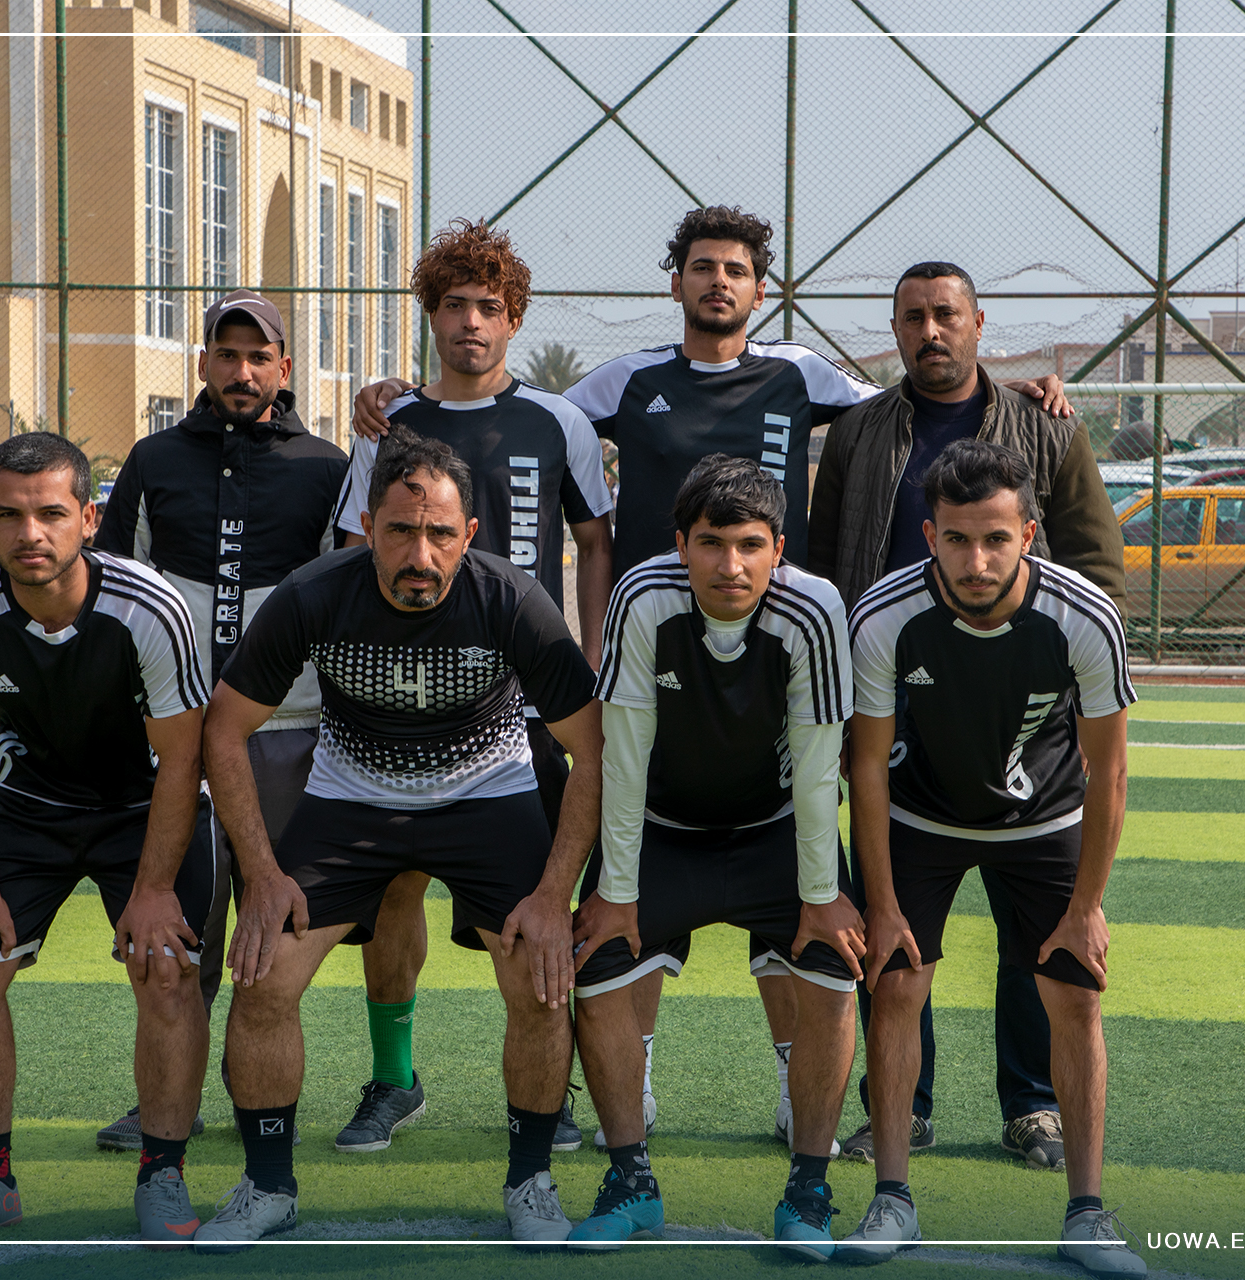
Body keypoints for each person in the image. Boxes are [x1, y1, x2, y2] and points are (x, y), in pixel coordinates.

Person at [355, 212, 1072, 1151]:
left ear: (759, 288)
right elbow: (515, 412)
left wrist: (1011, 389)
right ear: (677, 282)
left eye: (735, 269)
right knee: (630, 876)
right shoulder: (625, 381)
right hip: (657, 659)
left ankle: (797, 1085)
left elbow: (924, 393)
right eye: (702, 267)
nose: (718, 282)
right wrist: (395, 394)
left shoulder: (803, 374)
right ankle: (633, 1077)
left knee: (796, 875)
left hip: (773, 661)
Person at [193, 430, 603, 1250]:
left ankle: (530, 1181)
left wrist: (554, 894)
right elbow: (225, 730)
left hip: (487, 797)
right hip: (352, 799)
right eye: (401, 531)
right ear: (368, 528)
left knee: (540, 982)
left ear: (469, 534)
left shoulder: (513, 599)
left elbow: (591, 750)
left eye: (440, 534)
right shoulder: (313, 593)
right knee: (264, 978)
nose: (421, 554)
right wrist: (264, 873)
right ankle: (267, 1187)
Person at [809, 261, 1125, 1171]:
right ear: (896, 329)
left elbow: (1096, 562)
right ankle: (903, 1109)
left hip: (1020, 703)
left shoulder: (1045, 422)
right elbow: (827, 563)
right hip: (895, 689)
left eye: (946, 314)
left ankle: (1032, 1105)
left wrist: (1063, 683)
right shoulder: (860, 429)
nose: (930, 331)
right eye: (912, 317)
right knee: (896, 934)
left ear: (979, 324)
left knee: (1039, 932)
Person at [328, 222, 613, 1154]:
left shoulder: (559, 423)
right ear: (431, 316)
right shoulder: (388, 426)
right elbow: (351, 553)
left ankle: (546, 1093)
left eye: (490, 307)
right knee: (394, 893)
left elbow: (595, 543)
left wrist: (588, 660)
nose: (471, 323)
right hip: (405, 701)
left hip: (525, 706)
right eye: (454, 305)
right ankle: (393, 1079)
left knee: (531, 908)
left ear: (514, 319)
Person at [840, 438, 1143, 1275]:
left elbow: (1111, 771)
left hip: (1043, 819)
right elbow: (867, 765)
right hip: (921, 815)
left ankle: (1087, 1215)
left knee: (1075, 997)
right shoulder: (884, 615)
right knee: (896, 985)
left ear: (1029, 535)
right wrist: (881, 903)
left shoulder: (1085, 617)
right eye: (958, 539)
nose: (977, 561)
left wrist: (1087, 909)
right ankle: (892, 1202)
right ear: (930, 535)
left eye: (996, 539)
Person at [0, 433, 214, 1245]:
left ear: (89, 518)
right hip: (29, 803)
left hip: (147, 802)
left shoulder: (150, 609)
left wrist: (154, 890)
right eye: (9, 515)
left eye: (50, 513)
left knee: (168, 970)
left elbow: (184, 757)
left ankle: (162, 1174)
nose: (30, 533)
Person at [565, 455, 861, 1256]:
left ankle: (808, 1192)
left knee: (833, 975)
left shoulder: (814, 608)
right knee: (596, 968)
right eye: (711, 543)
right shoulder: (642, 595)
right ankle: (631, 1183)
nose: (731, 565)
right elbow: (624, 752)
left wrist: (820, 895)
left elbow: (819, 763)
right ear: (681, 545)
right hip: (665, 828)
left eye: (750, 545)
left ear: (779, 549)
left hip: (773, 830)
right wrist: (617, 890)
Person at [91, 289, 346, 1152]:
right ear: (202, 362)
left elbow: (339, 600)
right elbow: (115, 591)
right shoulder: (155, 459)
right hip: (174, 740)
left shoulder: (325, 466)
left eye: (258, 356)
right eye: (226, 354)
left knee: (270, 930)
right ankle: (168, 1101)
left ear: (284, 368)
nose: (242, 371)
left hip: (286, 735)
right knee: (179, 931)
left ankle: (256, 1096)